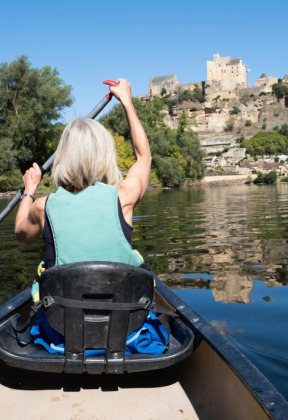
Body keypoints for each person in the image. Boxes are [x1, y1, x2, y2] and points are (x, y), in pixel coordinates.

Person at [14, 79, 168, 355]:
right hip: (127, 329)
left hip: (62, 331)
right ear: (103, 154)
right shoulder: (124, 197)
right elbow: (144, 157)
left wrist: (28, 191)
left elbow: (21, 234)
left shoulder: (43, 206)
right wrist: (127, 103)